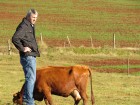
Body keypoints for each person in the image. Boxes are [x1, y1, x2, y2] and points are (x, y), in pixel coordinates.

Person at [12, 9, 40, 105]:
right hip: (27, 57)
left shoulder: (30, 25)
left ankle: (27, 99)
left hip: (31, 56)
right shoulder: (24, 26)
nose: (35, 19)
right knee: (31, 78)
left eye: (36, 18)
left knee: (31, 78)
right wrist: (23, 48)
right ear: (28, 16)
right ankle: (28, 101)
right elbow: (15, 38)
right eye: (33, 17)